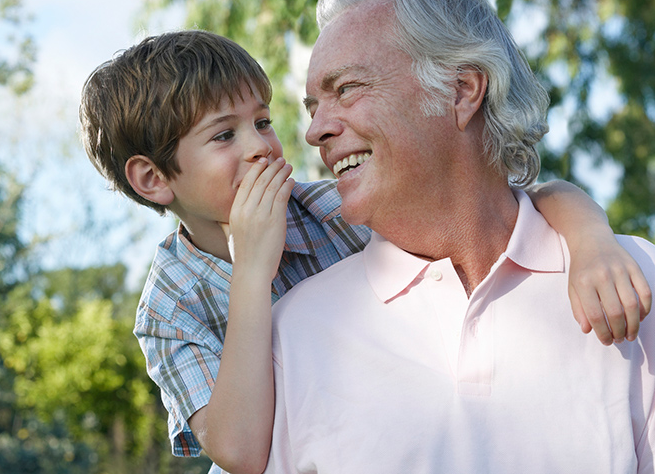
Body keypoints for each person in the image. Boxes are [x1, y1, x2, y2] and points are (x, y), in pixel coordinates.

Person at [78, 31, 649, 473]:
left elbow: (523, 200)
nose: (262, 148)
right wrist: (252, 270)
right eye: (224, 136)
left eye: (262, 122)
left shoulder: (333, 208)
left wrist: (591, 242)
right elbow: (238, 451)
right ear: (153, 179)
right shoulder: (169, 305)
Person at [265, 0, 655, 473]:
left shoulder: (634, 279)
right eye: (313, 105)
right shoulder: (291, 334)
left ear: (462, 90)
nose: (315, 130)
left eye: (347, 88)